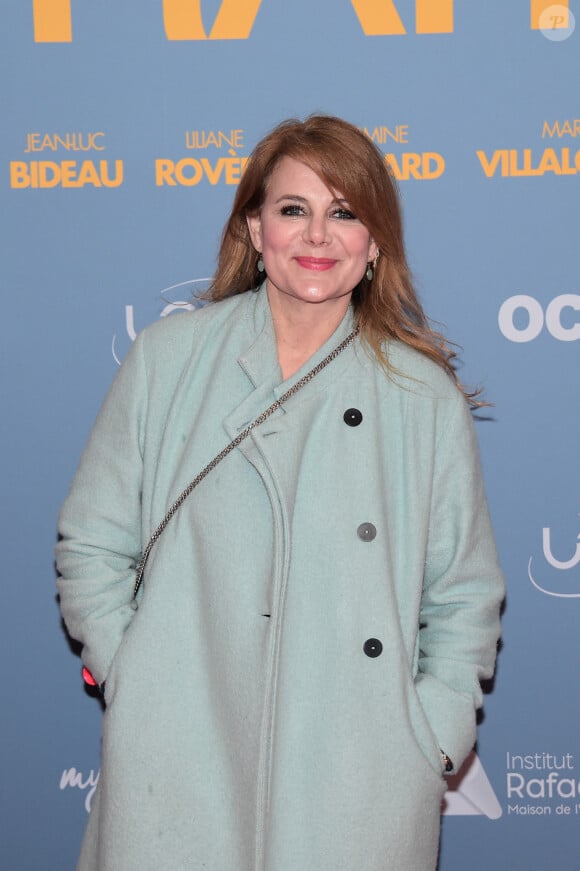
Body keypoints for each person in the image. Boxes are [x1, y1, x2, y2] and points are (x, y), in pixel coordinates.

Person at [56, 115, 504, 871]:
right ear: (254, 229)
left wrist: (427, 735)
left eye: (345, 212)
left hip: (360, 771)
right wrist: (139, 671)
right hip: (182, 744)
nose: (317, 236)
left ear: (375, 243)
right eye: (294, 209)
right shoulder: (170, 360)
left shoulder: (424, 399)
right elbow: (93, 541)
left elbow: (462, 596)